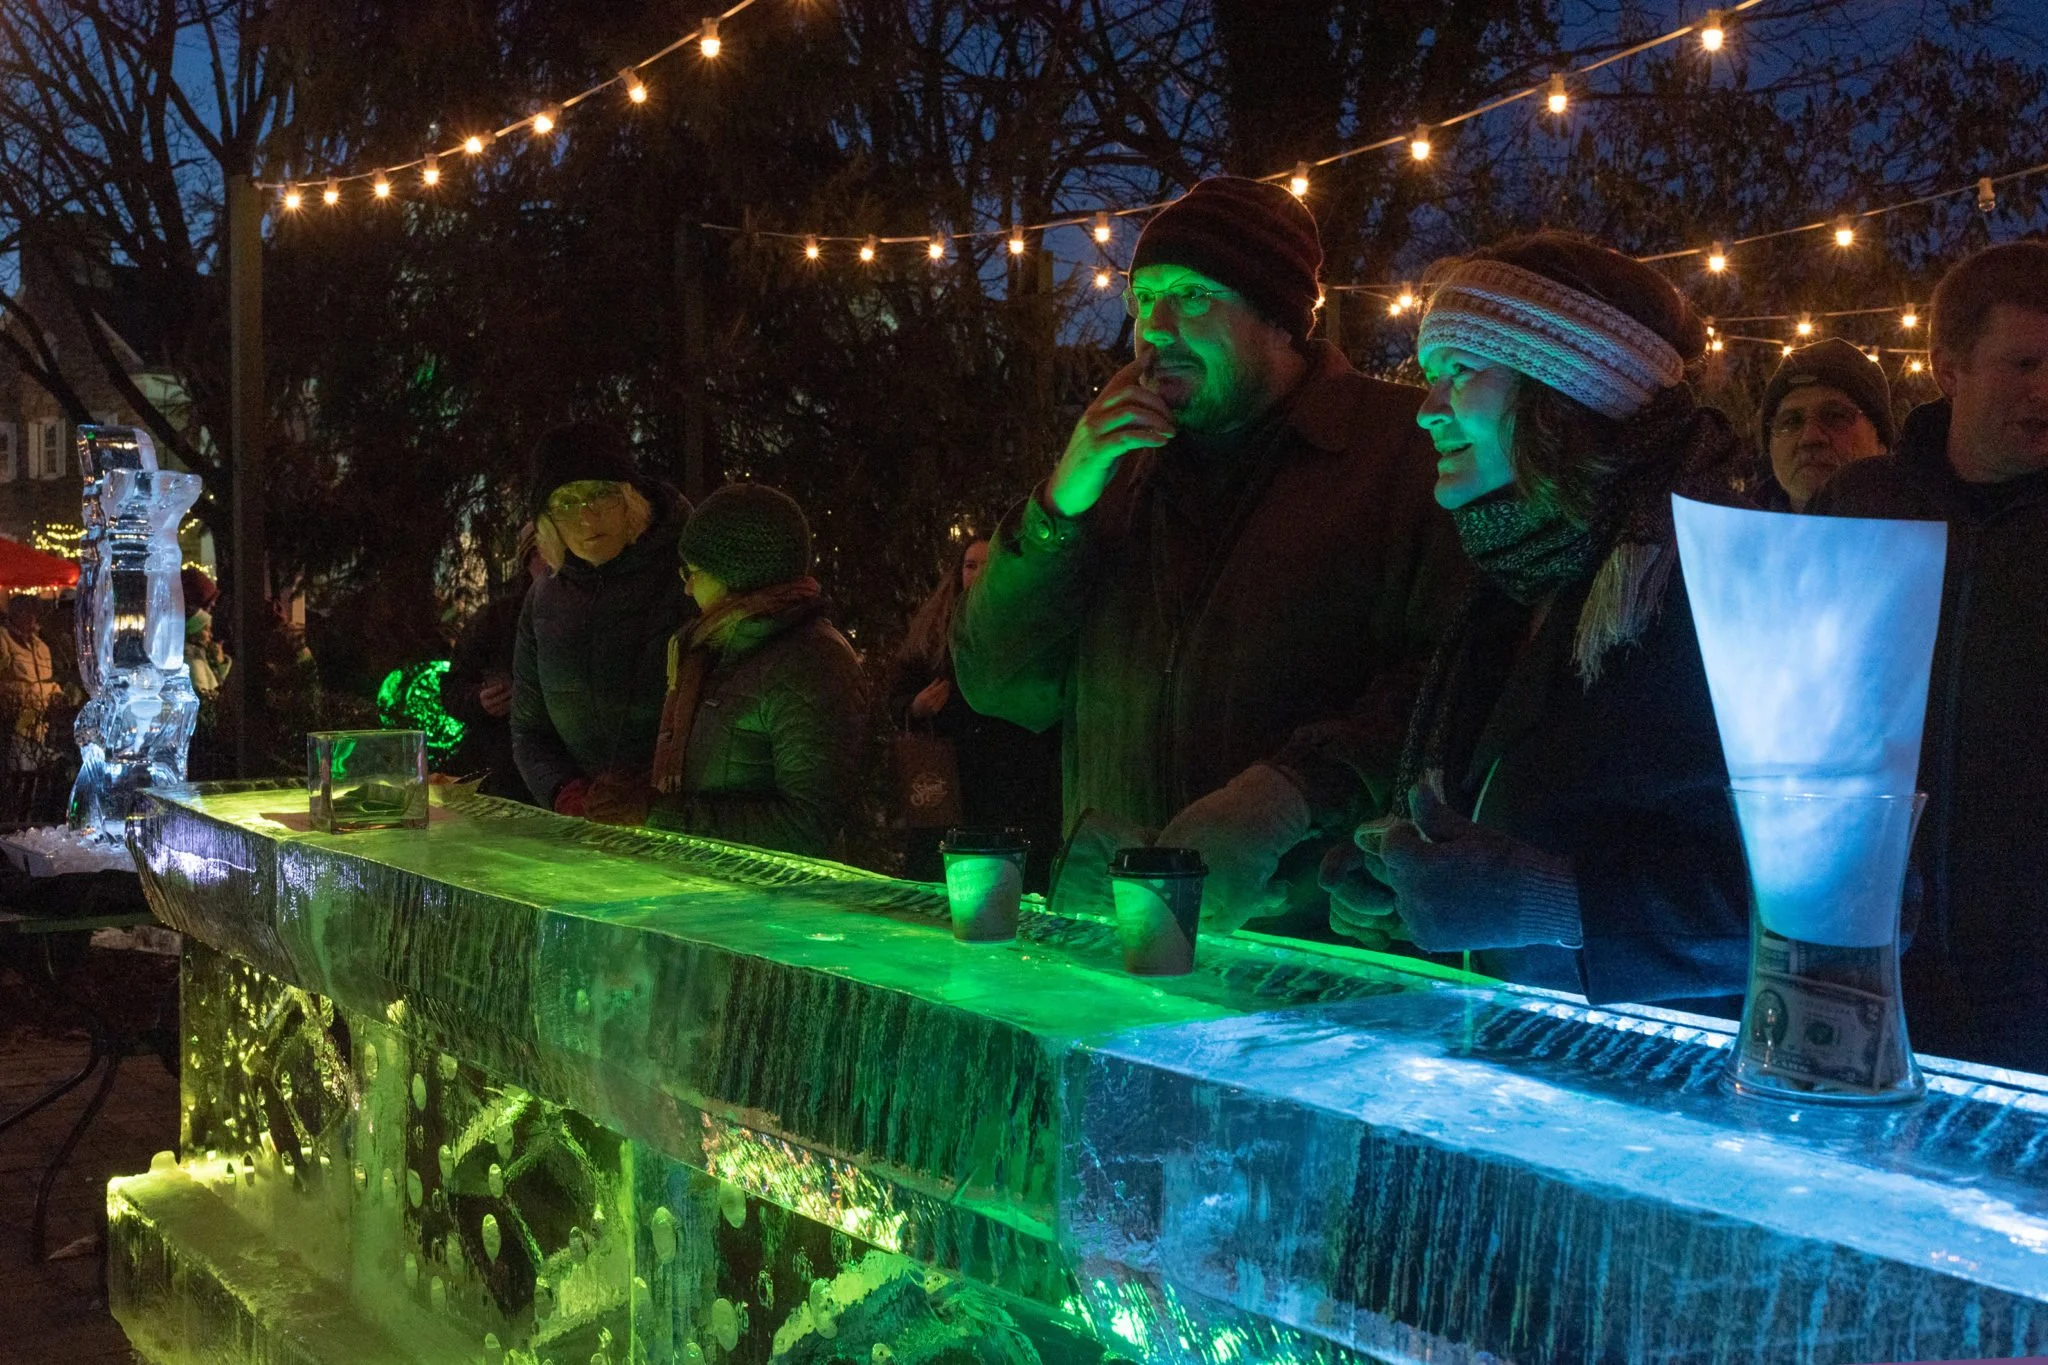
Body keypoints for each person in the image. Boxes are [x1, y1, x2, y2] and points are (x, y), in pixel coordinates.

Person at [953, 176, 1458, 933]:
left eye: (1192, 296)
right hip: (1120, 936)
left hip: (1313, 954)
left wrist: (1293, 792)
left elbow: (1453, 683)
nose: (1154, 327)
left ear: (1279, 322)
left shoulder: (1404, 455)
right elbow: (997, 681)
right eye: (1141, 298)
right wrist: (1059, 505)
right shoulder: (1117, 470)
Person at [1324, 232, 1754, 1007]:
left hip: (1686, 1095)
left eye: (1460, 374)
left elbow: (1854, 905)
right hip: (1528, 1083)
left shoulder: (1719, 580)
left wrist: (1554, 901)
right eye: (1428, 377)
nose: (1426, 412)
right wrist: (1415, 884)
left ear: (1571, 388)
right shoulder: (1512, 584)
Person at [1808, 239, 2048, 1070]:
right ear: (1949, 368)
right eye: (2023, 362)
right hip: (1865, 961)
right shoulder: (1862, 506)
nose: (2045, 389)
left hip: (2029, 979)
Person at [585, 484, 866, 859]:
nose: (687, 588)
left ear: (737, 573)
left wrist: (658, 814)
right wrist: (635, 794)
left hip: (777, 906)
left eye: (695, 572)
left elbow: (807, 825)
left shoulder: (811, 662)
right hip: (713, 890)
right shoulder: (713, 649)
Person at [512, 423, 693, 814]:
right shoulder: (543, 600)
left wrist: (652, 802)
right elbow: (529, 727)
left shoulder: (689, 579)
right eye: (566, 502)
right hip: (588, 827)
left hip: (681, 819)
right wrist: (565, 792)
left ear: (631, 498)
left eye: (600, 494)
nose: (587, 516)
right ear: (547, 521)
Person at [889, 538, 1061, 887]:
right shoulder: (935, 630)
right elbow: (900, 692)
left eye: (988, 564)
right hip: (951, 782)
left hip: (1015, 783)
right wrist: (916, 706)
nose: (979, 573)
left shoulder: (1028, 623)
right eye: (970, 565)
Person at [442, 522, 546, 803]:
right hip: (509, 777)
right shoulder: (496, 620)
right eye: (541, 553)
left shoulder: (595, 615)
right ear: (529, 560)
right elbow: (453, 688)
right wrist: (480, 701)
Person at [1755, 338, 1894, 511]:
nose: (1810, 438)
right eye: (1790, 421)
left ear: (1881, 442)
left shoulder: (1925, 532)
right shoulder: (1728, 531)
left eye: (1836, 416)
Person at [0, 594, 61, 772]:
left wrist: (56, 693)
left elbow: (45, 680)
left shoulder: (41, 646)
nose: (30, 617)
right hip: (12, 722)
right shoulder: (3, 640)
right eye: (24, 612)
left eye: (33, 612)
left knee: (37, 768)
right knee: (18, 769)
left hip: (40, 721)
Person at [184, 609, 231, 698]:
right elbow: (205, 696)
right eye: (206, 629)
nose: (211, 635)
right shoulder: (193, 661)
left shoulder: (201, 656)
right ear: (194, 631)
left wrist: (220, 662)